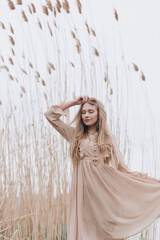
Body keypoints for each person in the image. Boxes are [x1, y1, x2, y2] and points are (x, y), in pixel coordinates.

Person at [44, 96, 160, 240]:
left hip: (103, 190)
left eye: (91, 112)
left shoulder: (107, 138)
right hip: (83, 191)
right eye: (83, 112)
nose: (86, 115)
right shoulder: (76, 135)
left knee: (106, 229)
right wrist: (74, 102)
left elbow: (122, 167)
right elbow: (50, 116)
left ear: (99, 114)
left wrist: (147, 181)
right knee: (84, 228)